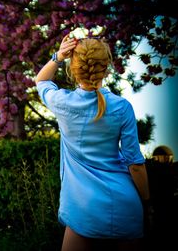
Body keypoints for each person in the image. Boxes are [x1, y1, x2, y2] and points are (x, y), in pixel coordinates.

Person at [35, 33, 150, 251]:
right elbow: (135, 165)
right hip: (125, 206)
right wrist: (146, 203)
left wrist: (58, 56)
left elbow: (41, 80)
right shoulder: (122, 107)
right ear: (106, 68)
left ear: (74, 69)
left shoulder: (62, 102)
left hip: (82, 209)